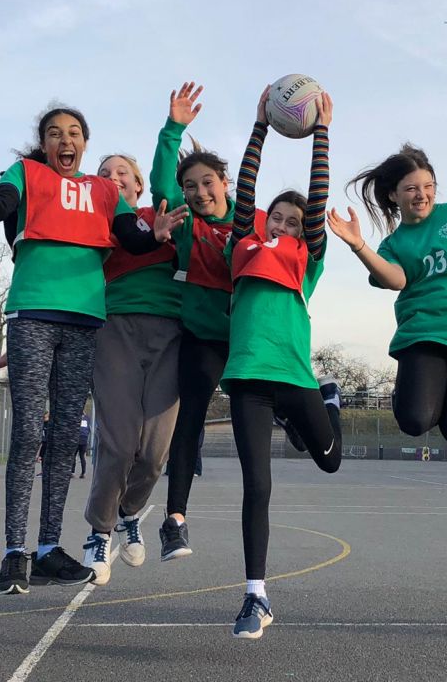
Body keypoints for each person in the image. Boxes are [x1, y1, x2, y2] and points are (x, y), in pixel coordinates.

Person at [0, 103, 186, 595]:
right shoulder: (28, 174)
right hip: (33, 314)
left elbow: (132, 239)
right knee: (30, 431)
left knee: (60, 441)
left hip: (85, 323)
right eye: (55, 133)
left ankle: (50, 547)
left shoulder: (103, 192)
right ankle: (15, 552)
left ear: (85, 143)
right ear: (45, 143)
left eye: (74, 133)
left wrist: (155, 233)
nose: (64, 140)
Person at [223, 87, 342, 639]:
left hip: (296, 380)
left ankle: (328, 404)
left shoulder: (305, 258)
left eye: (293, 221)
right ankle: (256, 597)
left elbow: (317, 199)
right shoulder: (243, 246)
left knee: (330, 461)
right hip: (249, 382)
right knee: (258, 486)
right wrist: (260, 128)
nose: (285, 224)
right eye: (279, 217)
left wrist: (321, 132)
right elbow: (244, 190)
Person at [149, 82, 267, 561]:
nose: (199, 192)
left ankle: (312, 411)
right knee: (189, 422)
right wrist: (173, 129)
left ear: (225, 181)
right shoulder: (187, 225)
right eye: (191, 186)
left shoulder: (255, 219)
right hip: (203, 337)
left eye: (207, 182)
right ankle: (174, 521)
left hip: (247, 338)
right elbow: (160, 183)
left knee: (259, 410)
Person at [328, 145, 447, 452]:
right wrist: (359, 245)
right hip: (424, 335)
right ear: (393, 195)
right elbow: (395, 279)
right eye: (411, 188)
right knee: (414, 421)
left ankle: (442, 396)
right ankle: (418, 392)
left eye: (428, 187)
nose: (422, 195)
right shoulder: (394, 243)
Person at [82, 150, 183, 585]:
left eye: (122, 172)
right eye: (103, 173)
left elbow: (172, 185)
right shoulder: (93, 224)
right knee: (120, 445)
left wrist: (172, 131)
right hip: (115, 331)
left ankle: (128, 513)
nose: (112, 177)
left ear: (138, 184)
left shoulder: (158, 213)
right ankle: (99, 531)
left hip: (171, 334)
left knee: (155, 452)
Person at [75, 414, 89, 479]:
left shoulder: (76, 416)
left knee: (73, 456)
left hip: (77, 438)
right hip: (84, 439)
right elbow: (88, 428)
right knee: (82, 456)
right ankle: (83, 473)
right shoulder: (87, 418)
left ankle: (72, 472)